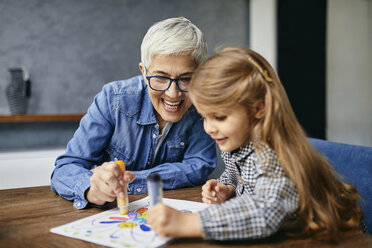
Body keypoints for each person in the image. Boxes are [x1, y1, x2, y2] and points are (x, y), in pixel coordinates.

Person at [147, 47, 365, 240]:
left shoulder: (271, 155)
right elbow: (237, 175)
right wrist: (228, 188)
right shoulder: (237, 143)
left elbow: (266, 210)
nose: (209, 128)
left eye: (220, 117)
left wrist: (188, 223)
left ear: (258, 109)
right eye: (205, 117)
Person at [50, 17, 216, 209]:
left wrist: (130, 180)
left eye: (186, 79)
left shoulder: (202, 105)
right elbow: (64, 169)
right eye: (160, 78)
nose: (173, 93)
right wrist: (90, 188)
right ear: (144, 72)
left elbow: (200, 166)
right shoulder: (112, 99)